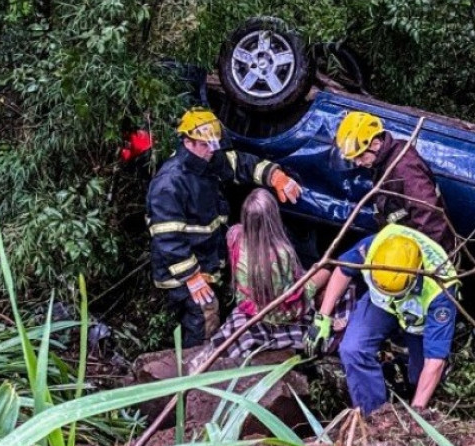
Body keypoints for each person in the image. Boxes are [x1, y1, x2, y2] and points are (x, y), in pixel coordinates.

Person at [146, 108, 302, 348]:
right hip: (183, 271)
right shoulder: (170, 183)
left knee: (209, 313)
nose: (212, 150)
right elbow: (167, 238)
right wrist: (192, 277)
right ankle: (196, 370)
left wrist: (275, 176)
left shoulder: (208, 160)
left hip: (209, 259)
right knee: (203, 318)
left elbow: (242, 163)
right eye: (205, 145)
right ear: (187, 142)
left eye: (213, 144)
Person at [304, 224, 459, 415]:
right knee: (353, 349)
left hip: (419, 320)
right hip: (381, 304)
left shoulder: (441, 290)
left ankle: (413, 397)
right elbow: (344, 270)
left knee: (420, 378)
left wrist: (416, 414)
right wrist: (323, 317)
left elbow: (434, 361)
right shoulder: (375, 246)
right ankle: (374, 416)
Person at [204, 188, 331, 358]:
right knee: (325, 270)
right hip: (279, 313)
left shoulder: (234, 235)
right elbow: (291, 295)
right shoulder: (281, 253)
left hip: (248, 305)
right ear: (273, 217)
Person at [334, 111, 455, 252]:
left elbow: (429, 216)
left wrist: (430, 259)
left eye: (360, 156)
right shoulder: (384, 161)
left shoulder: (404, 168)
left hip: (429, 251)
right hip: (405, 242)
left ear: (375, 144)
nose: (358, 163)